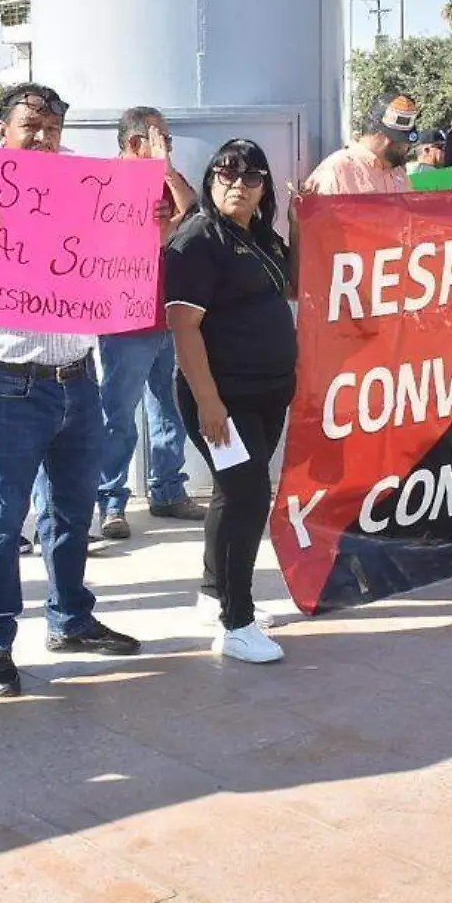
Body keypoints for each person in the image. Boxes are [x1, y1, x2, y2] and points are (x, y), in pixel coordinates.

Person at [0, 83, 143, 698]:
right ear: (2, 132)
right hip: (9, 385)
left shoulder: (84, 187)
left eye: (51, 128)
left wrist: (144, 226)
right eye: (30, 128)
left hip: (79, 375)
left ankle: (70, 618)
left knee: (73, 514)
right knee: (1, 524)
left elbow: (122, 258)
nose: (42, 139)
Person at [165, 140, 294, 664]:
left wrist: (303, 225)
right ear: (210, 178)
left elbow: (295, 285)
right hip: (223, 396)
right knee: (247, 498)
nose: (236, 184)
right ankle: (236, 624)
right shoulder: (197, 238)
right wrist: (209, 402)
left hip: (266, 392)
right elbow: (183, 327)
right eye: (225, 173)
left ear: (264, 189)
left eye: (250, 177)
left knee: (230, 494)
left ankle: (215, 594)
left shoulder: (260, 236)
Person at [94, 107, 207, 541]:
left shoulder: (166, 180)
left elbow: (194, 214)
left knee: (170, 406)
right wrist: (166, 230)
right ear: (136, 142)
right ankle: (111, 499)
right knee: (118, 413)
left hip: (169, 313)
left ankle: (167, 489)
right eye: (164, 139)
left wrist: (169, 171)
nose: (170, 146)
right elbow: (137, 240)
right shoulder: (107, 182)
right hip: (126, 320)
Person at [303, 92, 420, 196]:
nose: (407, 148)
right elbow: (317, 219)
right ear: (385, 137)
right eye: (404, 142)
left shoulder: (398, 174)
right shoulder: (338, 170)